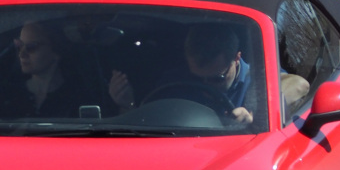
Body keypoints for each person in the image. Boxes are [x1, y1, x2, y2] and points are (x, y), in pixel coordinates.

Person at [108, 21, 255, 123]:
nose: (206, 88)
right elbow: (148, 129)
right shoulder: (173, 83)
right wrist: (127, 104)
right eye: (196, 78)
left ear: (236, 58)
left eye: (217, 79)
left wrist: (254, 125)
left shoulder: (265, 83)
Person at [0, 21, 90, 118]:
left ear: (56, 50)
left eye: (31, 47)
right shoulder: (5, 95)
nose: (22, 54)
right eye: (19, 45)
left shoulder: (79, 97)